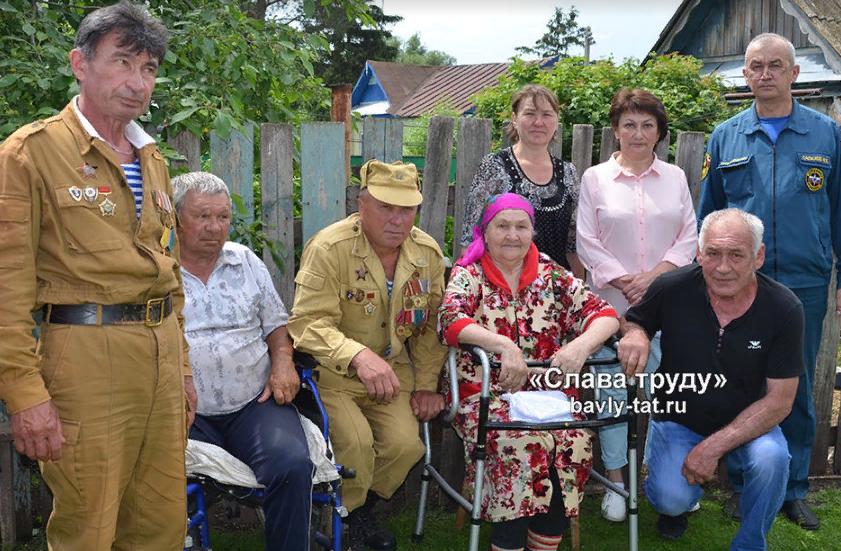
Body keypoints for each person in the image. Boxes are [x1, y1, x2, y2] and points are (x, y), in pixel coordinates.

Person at [0, 3, 193, 549]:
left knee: (159, 525)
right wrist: (23, 394)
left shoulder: (150, 156)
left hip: (159, 360)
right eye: (123, 62)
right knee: (88, 526)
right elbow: (5, 286)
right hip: (84, 359)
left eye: (149, 68)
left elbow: (167, 274)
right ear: (80, 64)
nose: (137, 83)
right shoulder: (30, 154)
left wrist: (181, 369)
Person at [697, 32, 841, 530]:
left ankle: (794, 488)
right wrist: (709, 278)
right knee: (743, 383)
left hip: (805, 280)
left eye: (775, 65)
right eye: (755, 66)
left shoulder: (827, 134)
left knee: (794, 386)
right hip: (740, 282)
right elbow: (709, 216)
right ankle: (744, 485)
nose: (765, 74)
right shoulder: (726, 137)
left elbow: (840, 209)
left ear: (794, 73)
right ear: (745, 73)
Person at [439, 193, 619, 551]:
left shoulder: (551, 274)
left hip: (547, 397)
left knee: (573, 442)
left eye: (521, 226)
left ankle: (542, 546)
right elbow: (450, 321)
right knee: (522, 444)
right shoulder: (469, 272)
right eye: (502, 226)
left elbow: (605, 314)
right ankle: (507, 544)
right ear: (485, 232)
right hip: (484, 395)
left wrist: (580, 346)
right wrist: (504, 346)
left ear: (532, 232)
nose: (512, 235)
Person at [287, 159, 449, 551]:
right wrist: (358, 355)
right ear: (362, 206)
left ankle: (356, 511)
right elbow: (307, 323)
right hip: (334, 373)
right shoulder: (329, 248)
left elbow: (429, 329)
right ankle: (347, 519)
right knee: (355, 444)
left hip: (392, 369)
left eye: (406, 209)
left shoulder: (426, 254)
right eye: (385, 207)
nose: (397, 219)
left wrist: (427, 386)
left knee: (406, 447)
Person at [619, 209, 802, 549]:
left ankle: (750, 542)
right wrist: (636, 335)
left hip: (748, 418)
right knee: (668, 499)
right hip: (678, 416)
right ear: (699, 254)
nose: (722, 267)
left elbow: (780, 401)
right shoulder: (671, 287)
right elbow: (632, 321)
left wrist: (711, 448)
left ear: (758, 257)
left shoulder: (784, 308)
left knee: (771, 459)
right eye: (713, 253)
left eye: (736, 254)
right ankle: (679, 504)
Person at [172, 172, 313, 551]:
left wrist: (283, 361)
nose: (214, 228)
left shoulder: (245, 261)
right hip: (183, 409)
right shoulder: (158, 271)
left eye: (222, 217)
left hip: (254, 403)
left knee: (292, 465)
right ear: (175, 218)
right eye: (202, 216)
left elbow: (276, 327)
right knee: (155, 473)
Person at [576, 88, 698, 522]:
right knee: (613, 396)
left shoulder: (677, 178)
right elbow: (586, 241)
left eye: (648, 125)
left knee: (662, 393)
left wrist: (653, 278)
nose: (638, 133)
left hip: (669, 302)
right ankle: (615, 482)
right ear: (615, 130)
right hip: (612, 307)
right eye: (629, 124)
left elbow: (689, 236)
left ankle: (657, 474)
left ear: (659, 132)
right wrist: (626, 281)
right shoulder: (594, 179)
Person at [461, 84, 586, 279]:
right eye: (529, 114)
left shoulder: (568, 173)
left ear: (556, 122)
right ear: (514, 119)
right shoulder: (494, 167)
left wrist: (579, 295)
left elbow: (573, 245)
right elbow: (470, 238)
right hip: (503, 286)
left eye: (547, 115)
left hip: (556, 290)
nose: (538, 122)